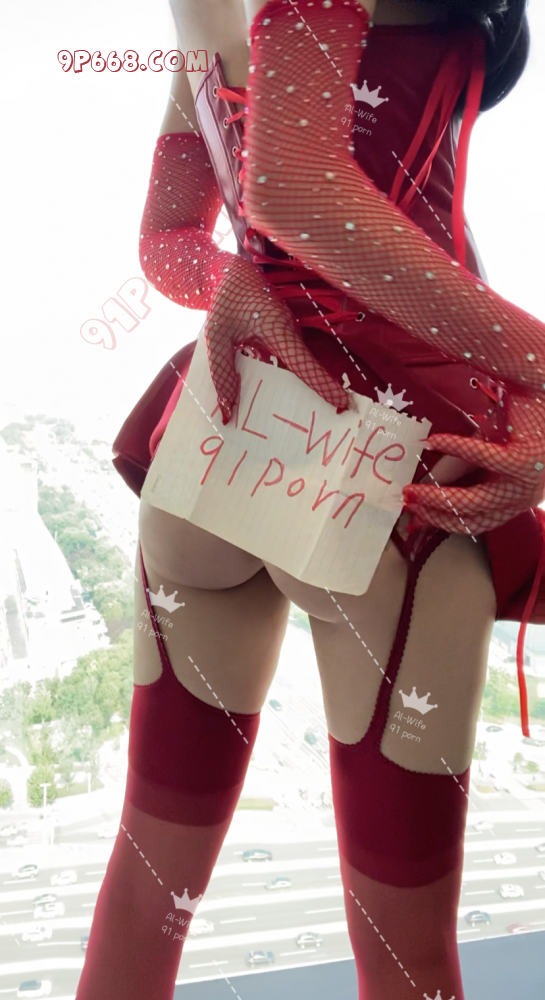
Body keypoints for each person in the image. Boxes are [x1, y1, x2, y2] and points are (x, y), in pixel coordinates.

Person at [77, 1, 542, 998]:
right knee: (406, 953)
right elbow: (294, 192)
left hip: (225, 436)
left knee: (148, 894)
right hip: (392, 461)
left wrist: (235, 290)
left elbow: (169, 238)